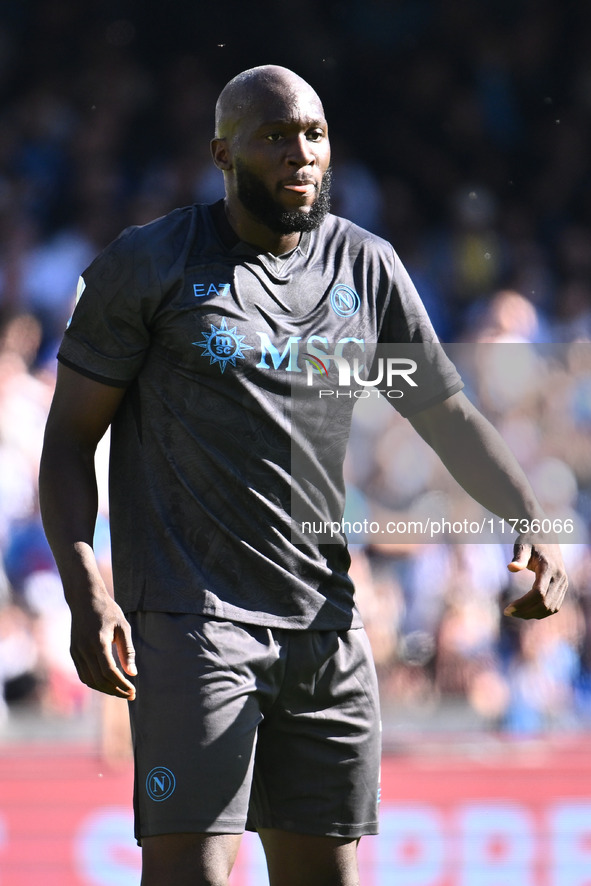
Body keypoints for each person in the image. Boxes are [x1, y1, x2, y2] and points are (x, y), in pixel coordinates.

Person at [39, 65, 568, 886]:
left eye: (314, 134)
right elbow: (69, 442)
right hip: (192, 624)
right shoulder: (151, 265)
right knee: (192, 876)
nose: (301, 153)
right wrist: (87, 591)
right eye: (275, 135)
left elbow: (444, 416)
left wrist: (531, 520)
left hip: (325, 625)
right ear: (223, 151)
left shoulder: (365, 269)